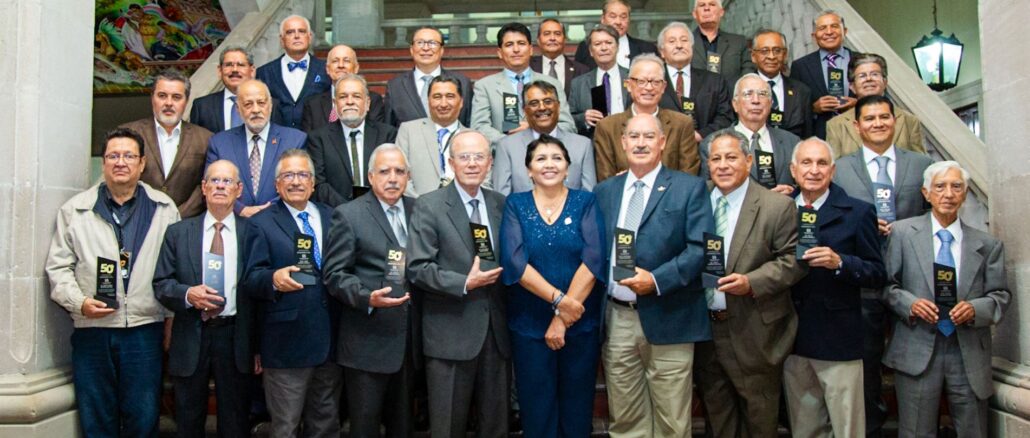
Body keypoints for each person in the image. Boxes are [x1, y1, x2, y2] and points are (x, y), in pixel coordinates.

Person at [46, 128, 180, 437]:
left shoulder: (164, 209)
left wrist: (171, 319)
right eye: (113, 156)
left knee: (143, 416)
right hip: (92, 331)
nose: (121, 162)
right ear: (103, 162)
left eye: (128, 156)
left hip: (145, 329)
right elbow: (58, 268)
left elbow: (176, 269)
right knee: (97, 417)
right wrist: (79, 302)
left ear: (142, 163)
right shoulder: (75, 210)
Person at [594, 114, 714, 436]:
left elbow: (700, 249)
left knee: (672, 422)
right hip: (618, 319)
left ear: (663, 142)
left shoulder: (689, 188)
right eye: (634, 137)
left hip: (670, 314)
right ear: (623, 143)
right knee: (626, 421)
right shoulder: (605, 191)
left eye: (649, 136)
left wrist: (657, 280)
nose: (641, 143)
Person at [883, 161, 1009, 437]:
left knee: (972, 429)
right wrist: (910, 303)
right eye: (940, 187)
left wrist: (976, 309)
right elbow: (886, 286)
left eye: (956, 187)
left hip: (967, 351)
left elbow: (1000, 296)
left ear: (964, 194)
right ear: (926, 193)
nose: (948, 194)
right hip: (917, 346)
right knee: (916, 431)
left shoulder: (987, 245)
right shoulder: (902, 234)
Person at [693, 129, 806, 437]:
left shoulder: (776, 206)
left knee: (760, 421)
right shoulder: (694, 199)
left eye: (731, 157)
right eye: (716, 158)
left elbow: (794, 261)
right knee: (718, 418)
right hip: (705, 330)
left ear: (749, 160)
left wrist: (751, 281)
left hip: (755, 330)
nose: (723, 165)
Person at [831, 94, 932, 437]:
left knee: (917, 358)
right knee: (868, 360)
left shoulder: (920, 165)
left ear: (895, 121)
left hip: (912, 279)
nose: (878, 124)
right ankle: (872, 427)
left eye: (884, 117)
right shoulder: (840, 168)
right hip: (864, 280)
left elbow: (935, 214)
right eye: (870, 118)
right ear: (857, 126)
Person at [499, 134, 606, 437]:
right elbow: (515, 262)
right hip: (530, 324)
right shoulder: (515, 204)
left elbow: (594, 258)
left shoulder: (585, 201)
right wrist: (561, 301)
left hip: (579, 324)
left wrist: (562, 316)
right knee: (537, 409)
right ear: (529, 169)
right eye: (541, 159)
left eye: (557, 158)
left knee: (577, 408)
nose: (549, 164)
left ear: (568, 167)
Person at [407, 130, 510, 438]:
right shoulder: (429, 205)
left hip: (496, 334)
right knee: (448, 427)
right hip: (450, 335)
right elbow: (417, 267)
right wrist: (465, 282)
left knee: (496, 427)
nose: (472, 163)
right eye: (464, 157)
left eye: (479, 156)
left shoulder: (501, 204)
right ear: (451, 162)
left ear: (490, 162)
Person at [782, 138, 886, 438]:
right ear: (793, 169)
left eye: (821, 163)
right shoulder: (780, 210)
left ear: (833, 170)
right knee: (804, 429)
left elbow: (877, 273)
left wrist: (841, 262)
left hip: (839, 339)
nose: (813, 170)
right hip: (790, 337)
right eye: (806, 163)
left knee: (847, 429)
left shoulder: (858, 212)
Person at [153, 160, 257, 438]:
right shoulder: (178, 233)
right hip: (191, 334)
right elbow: (161, 284)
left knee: (235, 421)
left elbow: (259, 292)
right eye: (214, 181)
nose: (220, 186)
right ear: (203, 188)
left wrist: (259, 346)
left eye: (227, 182)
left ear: (239, 190)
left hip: (236, 337)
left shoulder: (253, 234)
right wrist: (188, 294)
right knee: (188, 419)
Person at [242, 149, 341, 438]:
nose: (296, 181)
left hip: (330, 341)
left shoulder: (332, 217)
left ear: (313, 183)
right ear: (276, 184)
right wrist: (273, 278)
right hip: (285, 344)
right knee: (285, 427)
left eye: (302, 175)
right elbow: (250, 278)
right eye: (288, 175)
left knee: (326, 425)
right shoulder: (261, 223)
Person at [323, 144, 418, 438]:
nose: (392, 178)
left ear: (408, 176)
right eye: (384, 171)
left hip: (410, 344)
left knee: (403, 427)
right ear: (370, 176)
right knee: (364, 427)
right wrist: (367, 297)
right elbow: (335, 274)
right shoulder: (349, 214)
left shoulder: (419, 210)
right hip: (367, 341)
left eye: (399, 171)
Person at [206, 79, 308, 217]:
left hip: (280, 220)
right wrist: (241, 209)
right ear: (238, 109)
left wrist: (268, 210)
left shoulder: (295, 140)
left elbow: (301, 183)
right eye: (248, 104)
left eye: (261, 103)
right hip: (235, 221)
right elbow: (211, 185)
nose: (255, 110)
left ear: (270, 105)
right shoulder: (219, 143)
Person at [593, 54, 700, 181]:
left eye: (655, 82)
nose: (649, 88)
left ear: (663, 87)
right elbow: (606, 179)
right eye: (641, 81)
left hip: (671, 199)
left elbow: (688, 177)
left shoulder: (681, 124)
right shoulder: (607, 127)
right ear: (628, 85)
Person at [121, 69, 212, 218]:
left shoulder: (205, 139)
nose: (169, 103)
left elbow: (204, 185)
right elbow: (120, 178)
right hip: (137, 220)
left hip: (184, 224)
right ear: (152, 98)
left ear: (186, 101)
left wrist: (176, 216)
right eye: (162, 96)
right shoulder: (128, 133)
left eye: (176, 97)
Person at [470, 22, 574, 143]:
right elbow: (479, 127)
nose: (516, 49)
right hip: (503, 156)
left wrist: (535, 132)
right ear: (499, 52)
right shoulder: (485, 86)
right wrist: (511, 144)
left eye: (521, 43)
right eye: (509, 45)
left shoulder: (552, 83)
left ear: (530, 50)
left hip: (544, 154)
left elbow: (568, 126)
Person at [699, 74, 800, 195]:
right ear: (735, 104)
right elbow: (707, 188)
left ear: (770, 103)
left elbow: (802, 184)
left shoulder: (792, 142)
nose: (756, 100)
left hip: (780, 211)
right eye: (748, 94)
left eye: (762, 94)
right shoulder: (713, 142)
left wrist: (793, 191)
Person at [307, 73, 398, 207]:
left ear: (367, 103)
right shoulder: (318, 138)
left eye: (356, 96)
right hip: (337, 215)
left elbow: (392, 177)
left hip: (380, 211)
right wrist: (349, 211)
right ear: (334, 104)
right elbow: (319, 184)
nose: (350, 101)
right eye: (343, 97)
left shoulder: (387, 135)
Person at [493, 81, 596, 195]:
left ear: (558, 106)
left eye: (548, 102)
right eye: (534, 103)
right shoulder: (507, 147)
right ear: (524, 110)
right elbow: (502, 198)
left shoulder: (582, 145)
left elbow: (589, 196)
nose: (542, 108)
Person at [826, 52, 926, 157]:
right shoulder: (836, 125)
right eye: (862, 76)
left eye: (874, 74)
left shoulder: (909, 120)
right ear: (852, 86)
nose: (869, 79)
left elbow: (919, 164)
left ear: (885, 82)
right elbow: (833, 169)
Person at [656, 21, 735, 143]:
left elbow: (725, 117)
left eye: (684, 40)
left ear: (692, 48)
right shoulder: (652, 81)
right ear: (662, 51)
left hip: (704, 150)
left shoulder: (714, 81)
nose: (679, 45)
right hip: (663, 149)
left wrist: (700, 135)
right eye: (672, 41)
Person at [385, 27, 474, 127]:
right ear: (411, 50)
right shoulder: (395, 86)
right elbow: (389, 129)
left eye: (432, 43)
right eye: (420, 43)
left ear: (441, 50)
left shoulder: (462, 82)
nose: (426, 48)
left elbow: (468, 123)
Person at [396, 74, 468, 196]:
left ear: (461, 102)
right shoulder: (408, 131)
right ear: (428, 101)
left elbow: (484, 180)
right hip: (418, 209)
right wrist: (423, 206)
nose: (443, 104)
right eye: (437, 97)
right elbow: (398, 174)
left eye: (450, 96)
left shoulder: (474, 137)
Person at [256, 15, 330, 129]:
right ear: (282, 40)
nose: (296, 36)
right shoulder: (264, 73)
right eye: (290, 32)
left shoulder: (326, 70)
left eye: (301, 31)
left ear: (309, 37)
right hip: (278, 141)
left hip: (316, 141)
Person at [791, 10, 856, 139]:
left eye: (834, 26)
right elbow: (793, 108)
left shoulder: (862, 61)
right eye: (822, 28)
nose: (829, 32)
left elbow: (879, 98)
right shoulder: (800, 66)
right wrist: (813, 108)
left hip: (857, 132)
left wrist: (857, 104)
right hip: (820, 136)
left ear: (845, 31)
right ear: (814, 36)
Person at [300, 44, 387, 132]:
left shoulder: (373, 100)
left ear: (356, 68)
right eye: (335, 61)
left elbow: (376, 135)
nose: (341, 65)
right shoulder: (312, 104)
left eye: (346, 61)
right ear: (327, 69)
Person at [749, 28, 813, 139]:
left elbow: (807, 135)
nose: (771, 57)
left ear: (785, 54)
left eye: (777, 51)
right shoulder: (741, 89)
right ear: (753, 56)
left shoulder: (801, 92)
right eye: (764, 51)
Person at [568, 24, 630, 136]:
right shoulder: (578, 83)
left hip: (628, 141)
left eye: (609, 43)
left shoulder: (632, 77)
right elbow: (569, 118)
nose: (604, 48)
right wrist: (584, 118)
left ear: (617, 47)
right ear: (591, 51)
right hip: (594, 143)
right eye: (597, 44)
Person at [190, 46, 259, 133]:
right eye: (229, 65)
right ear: (220, 71)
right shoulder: (202, 106)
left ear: (252, 71)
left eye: (241, 65)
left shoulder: (270, 105)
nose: (234, 70)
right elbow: (195, 142)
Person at [574, 0, 657, 70]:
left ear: (629, 19)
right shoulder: (585, 47)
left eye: (623, 17)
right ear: (603, 19)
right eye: (613, 16)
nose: (618, 22)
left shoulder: (647, 49)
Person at [691, 0, 753, 80]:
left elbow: (748, 75)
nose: (706, 8)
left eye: (712, 4)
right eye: (702, 5)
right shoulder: (685, 43)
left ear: (721, 12)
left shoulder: (738, 42)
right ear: (694, 14)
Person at [530, 18, 589, 97]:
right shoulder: (528, 68)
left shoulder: (581, 70)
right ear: (538, 40)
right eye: (547, 34)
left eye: (557, 34)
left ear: (564, 39)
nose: (552, 38)